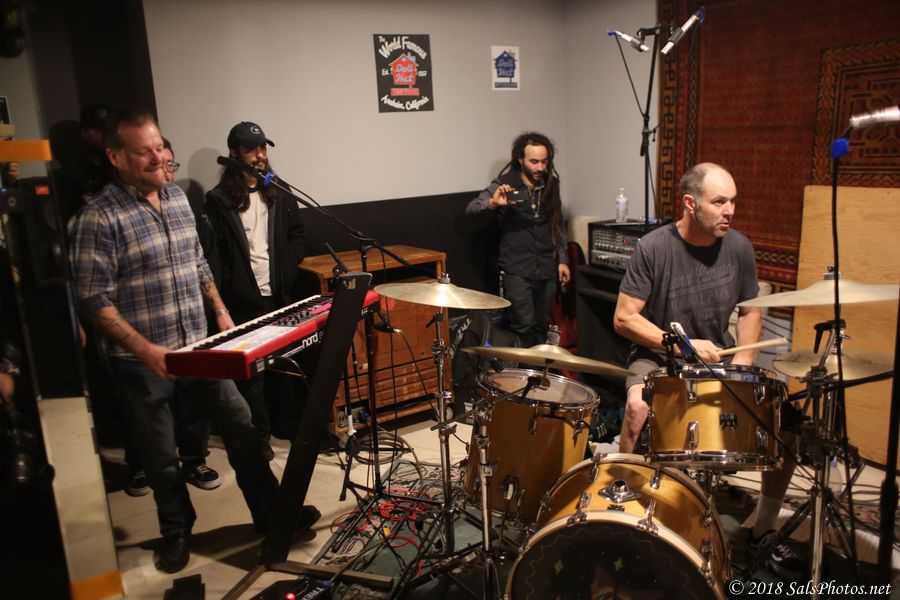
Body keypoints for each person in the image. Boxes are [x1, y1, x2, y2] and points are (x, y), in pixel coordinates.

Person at [69, 108, 317, 573]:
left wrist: (220, 311)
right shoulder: (97, 217)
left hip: (198, 347)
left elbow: (198, 262)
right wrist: (146, 350)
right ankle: (176, 533)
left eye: (159, 148)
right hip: (141, 360)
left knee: (241, 426)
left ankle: (270, 513)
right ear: (115, 157)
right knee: (162, 455)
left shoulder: (177, 199)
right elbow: (92, 299)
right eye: (144, 152)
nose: (157, 158)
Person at [613, 162, 800, 579]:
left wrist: (743, 365)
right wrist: (679, 343)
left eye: (733, 201)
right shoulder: (653, 247)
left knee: (786, 422)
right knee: (638, 409)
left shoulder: (739, 248)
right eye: (719, 202)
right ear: (690, 203)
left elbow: (751, 310)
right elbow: (624, 318)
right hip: (658, 356)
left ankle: (763, 525)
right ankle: (624, 505)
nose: (730, 210)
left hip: (718, 358)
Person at [204, 121, 307, 445]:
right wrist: (227, 294)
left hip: (279, 294)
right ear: (234, 153)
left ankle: (287, 426)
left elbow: (297, 235)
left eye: (262, 147)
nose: (259, 155)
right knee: (252, 377)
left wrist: (287, 268)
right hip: (243, 300)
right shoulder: (218, 199)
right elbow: (215, 254)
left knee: (285, 365)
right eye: (251, 149)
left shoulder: (280, 191)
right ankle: (258, 439)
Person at [466, 131, 570, 347]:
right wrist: (493, 204)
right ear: (521, 159)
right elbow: (472, 208)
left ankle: (539, 365)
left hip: (546, 266)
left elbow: (557, 223)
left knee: (542, 324)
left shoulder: (551, 183)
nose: (540, 167)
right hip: (517, 269)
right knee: (523, 325)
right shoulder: (505, 183)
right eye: (534, 161)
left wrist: (563, 260)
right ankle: (523, 367)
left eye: (544, 161)